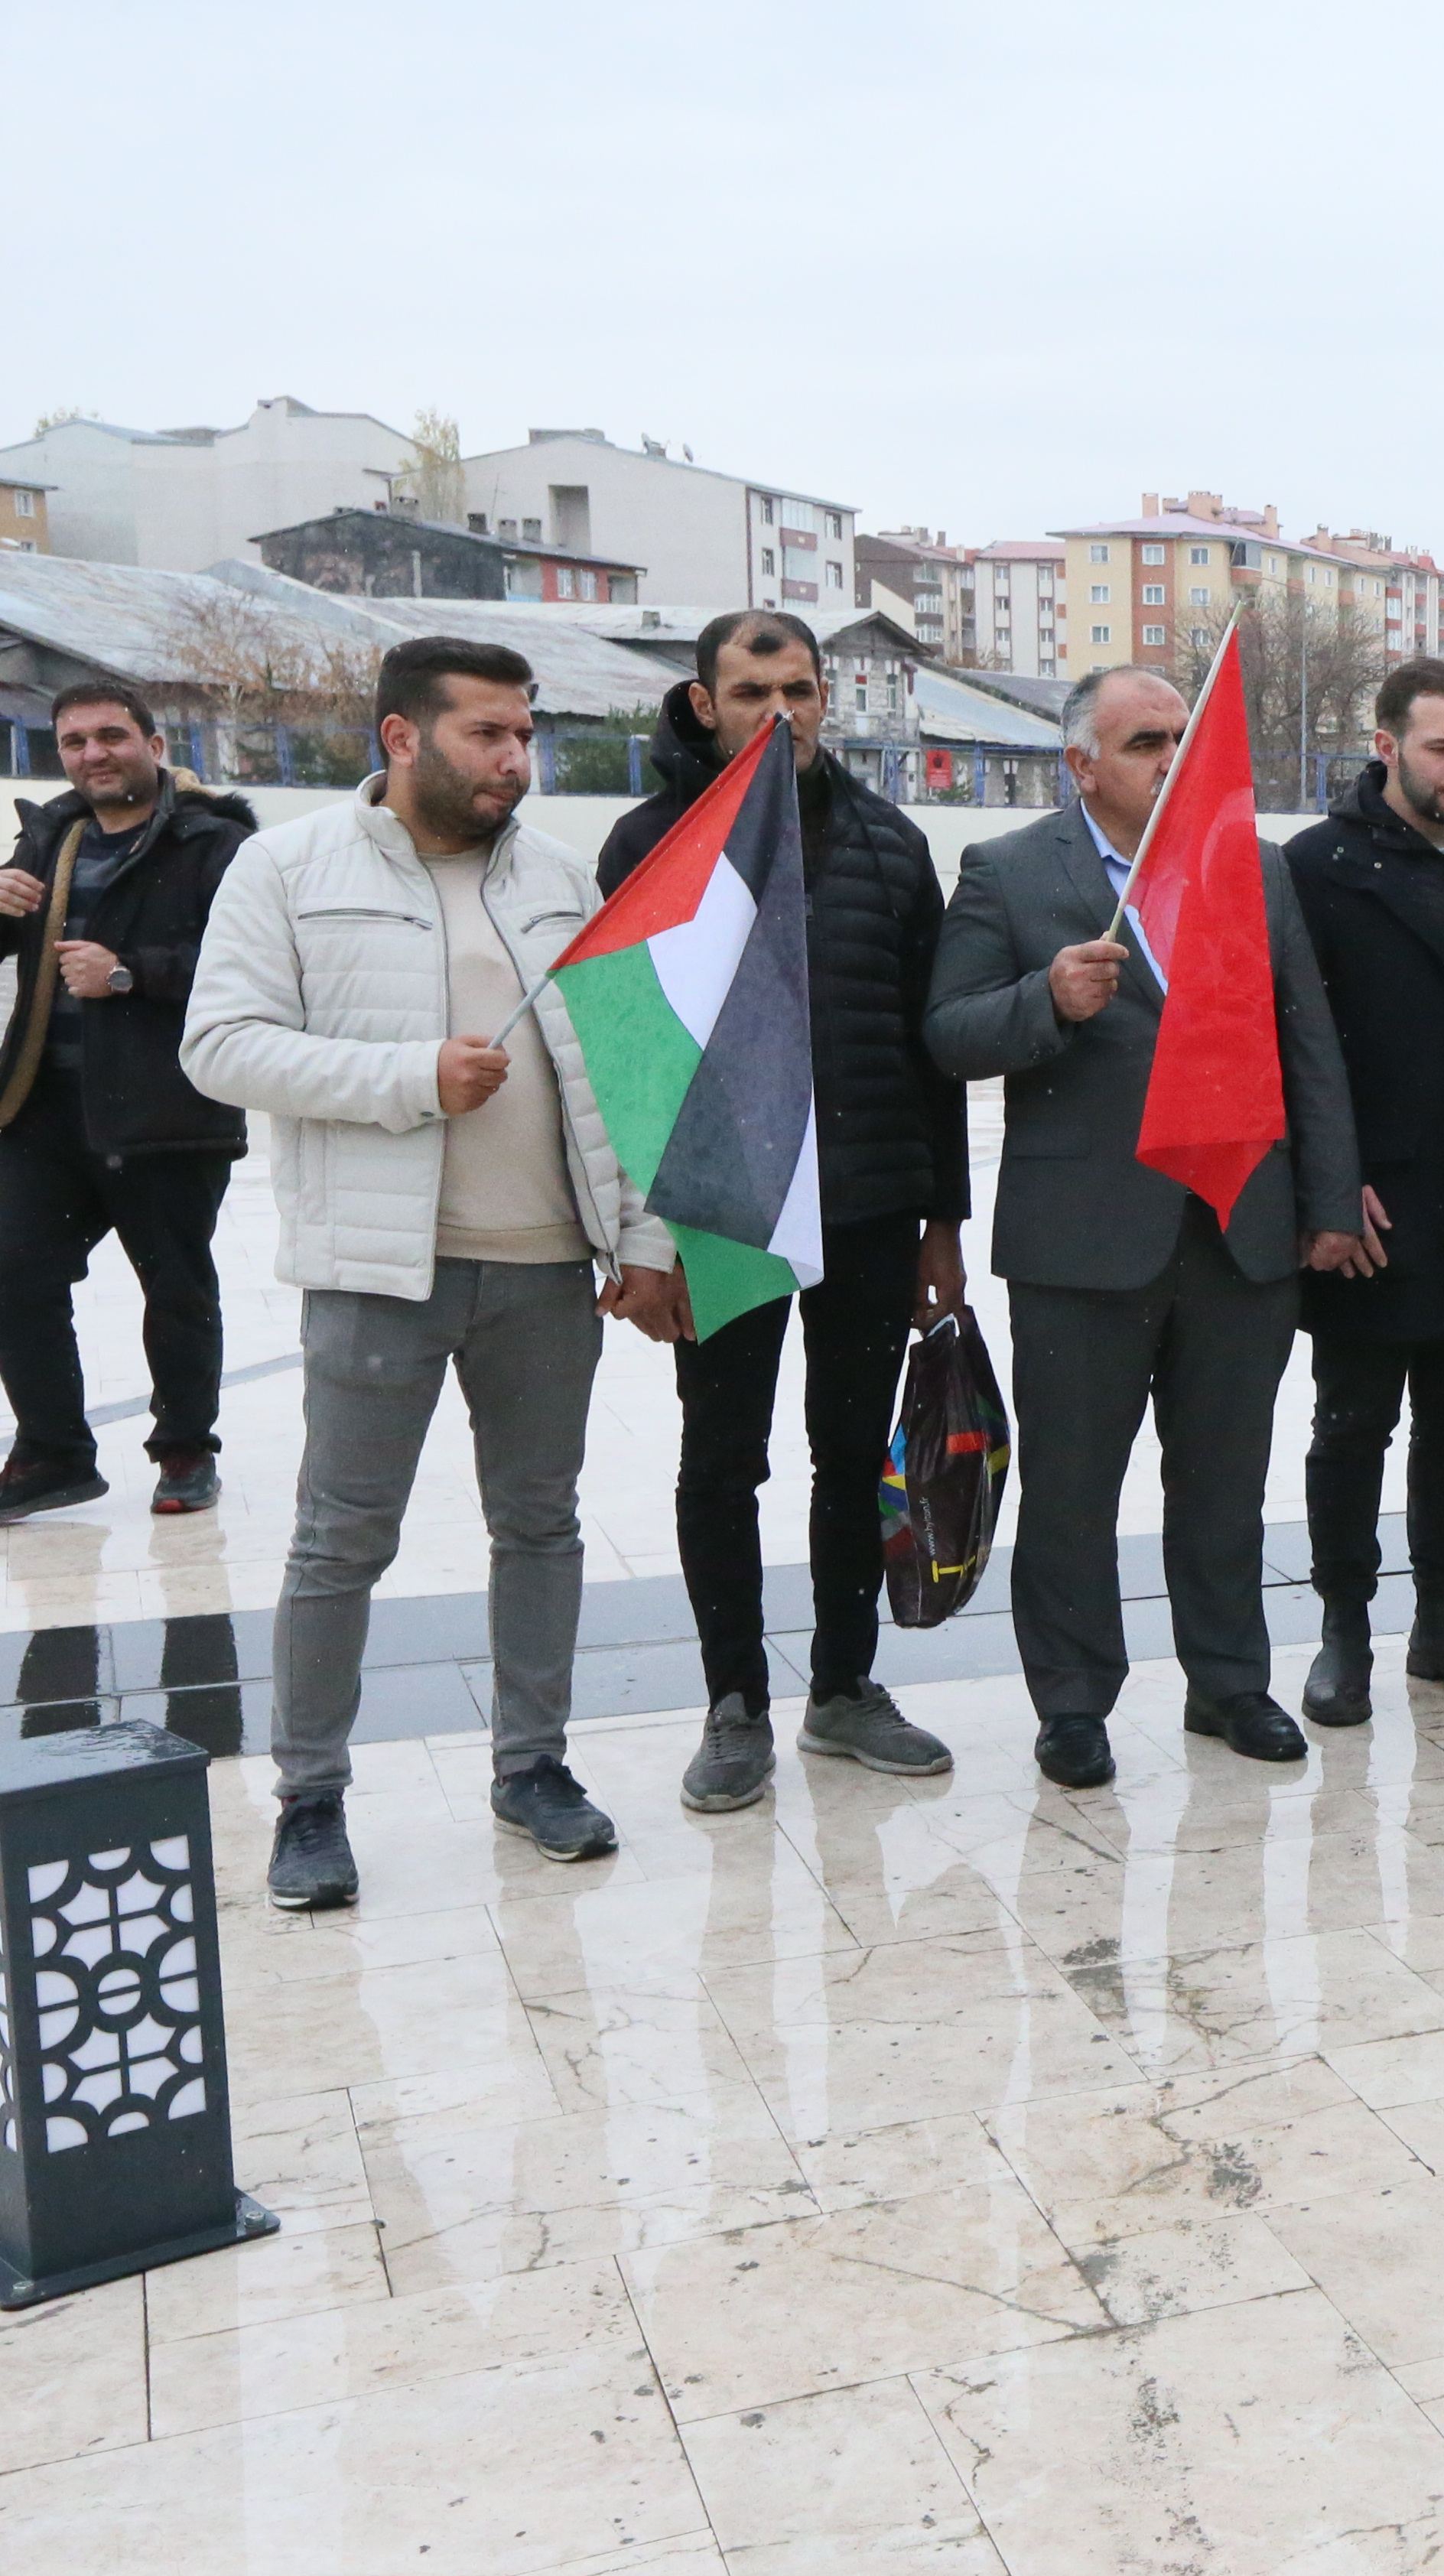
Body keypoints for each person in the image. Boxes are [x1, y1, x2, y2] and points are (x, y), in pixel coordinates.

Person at [182, 636, 682, 1910]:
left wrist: (643, 1237)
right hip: (377, 1270)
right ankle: (310, 1798)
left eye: (525, 734)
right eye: (487, 735)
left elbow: (629, 1073)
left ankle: (533, 1768)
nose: (517, 758)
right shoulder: (285, 867)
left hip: (543, 1269)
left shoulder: (562, 879)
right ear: (402, 737)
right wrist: (412, 1078)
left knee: (542, 1524)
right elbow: (222, 1047)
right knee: (339, 1539)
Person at [925, 665, 1360, 1790]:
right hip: (1084, 1239)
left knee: (1224, 1477)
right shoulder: (1011, 873)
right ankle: (1072, 1704)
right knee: (1073, 1488)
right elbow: (949, 1034)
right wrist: (1045, 1003)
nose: (1171, 761)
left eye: (1180, 738)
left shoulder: (1252, 871)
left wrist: (1324, 1205)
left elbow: (1306, 1040)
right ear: (1082, 764)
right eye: (1144, 744)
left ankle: (1228, 1681)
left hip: (1239, 1229)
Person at [595, 613, 971, 1807]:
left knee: (854, 1454)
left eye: (798, 688)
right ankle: (733, 1703)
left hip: (863, 1206)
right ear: (704, 704)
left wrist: (943, 1221)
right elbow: (632, 1065)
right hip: (726, 1212)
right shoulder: (651, 845)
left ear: (826, 697)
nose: (778, 712)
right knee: (723, 1463)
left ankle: (846, 1688)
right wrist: (647, 1243)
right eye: (750, 690)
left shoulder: (891, 844)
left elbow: (934, 1052)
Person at [1286, 656, 1444, 1727]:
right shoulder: (1317, 865)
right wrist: (1328, 1186)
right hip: (1372, 1203)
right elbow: (1292, 1039)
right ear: (1385, 744)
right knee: (1352, 1423)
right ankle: (1343, 1627)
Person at [0, 681, 255, 1523]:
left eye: (111, 736)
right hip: (44, 1108)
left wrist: (129, 973)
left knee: (174, 1286)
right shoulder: (48, 838)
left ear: (152, 742)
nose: (93, 755)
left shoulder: (211, 843)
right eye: (74, 742)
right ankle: (53, 1452)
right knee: (13, 1271)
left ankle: (185, 1448)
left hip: (166, 1108)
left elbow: (251, 965)